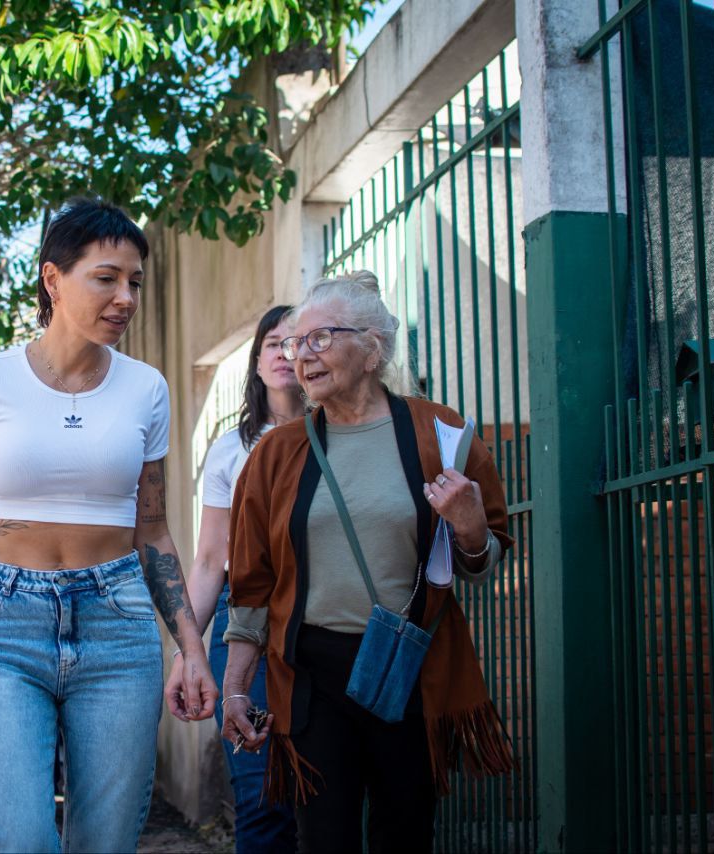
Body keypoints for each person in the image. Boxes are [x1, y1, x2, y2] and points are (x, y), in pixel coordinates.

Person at [0, 197, 217, 853]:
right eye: (106, 278)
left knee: (105, 841)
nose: (126, 297)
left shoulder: (146, 389)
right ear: (54, 279)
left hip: (118, 622)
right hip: (6, 622)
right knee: (18, 836)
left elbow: (154, 532)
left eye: (134, 281)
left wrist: (191, 647)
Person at [220, 271, 516, 854]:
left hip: (406, 665)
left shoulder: (443, 434)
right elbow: (251, 584)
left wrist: (471, 525)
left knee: (403, 835)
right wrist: (235, 688)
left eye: (319, 339)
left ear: (372, 347)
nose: (301, 356)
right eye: (293, 343)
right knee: (322, 839)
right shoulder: (278, 454)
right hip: (311, 672)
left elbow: (484, 561)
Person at [178, 306, 302, 852]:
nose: (285, 354)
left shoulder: (343, 434)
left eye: (299, 342)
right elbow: (209, 561)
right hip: (242, 619)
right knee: (257, 793)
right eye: (274, 343)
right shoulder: (231, 448)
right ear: (256, 362)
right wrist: (187, 651)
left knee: (332, 788)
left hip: (322, 619)